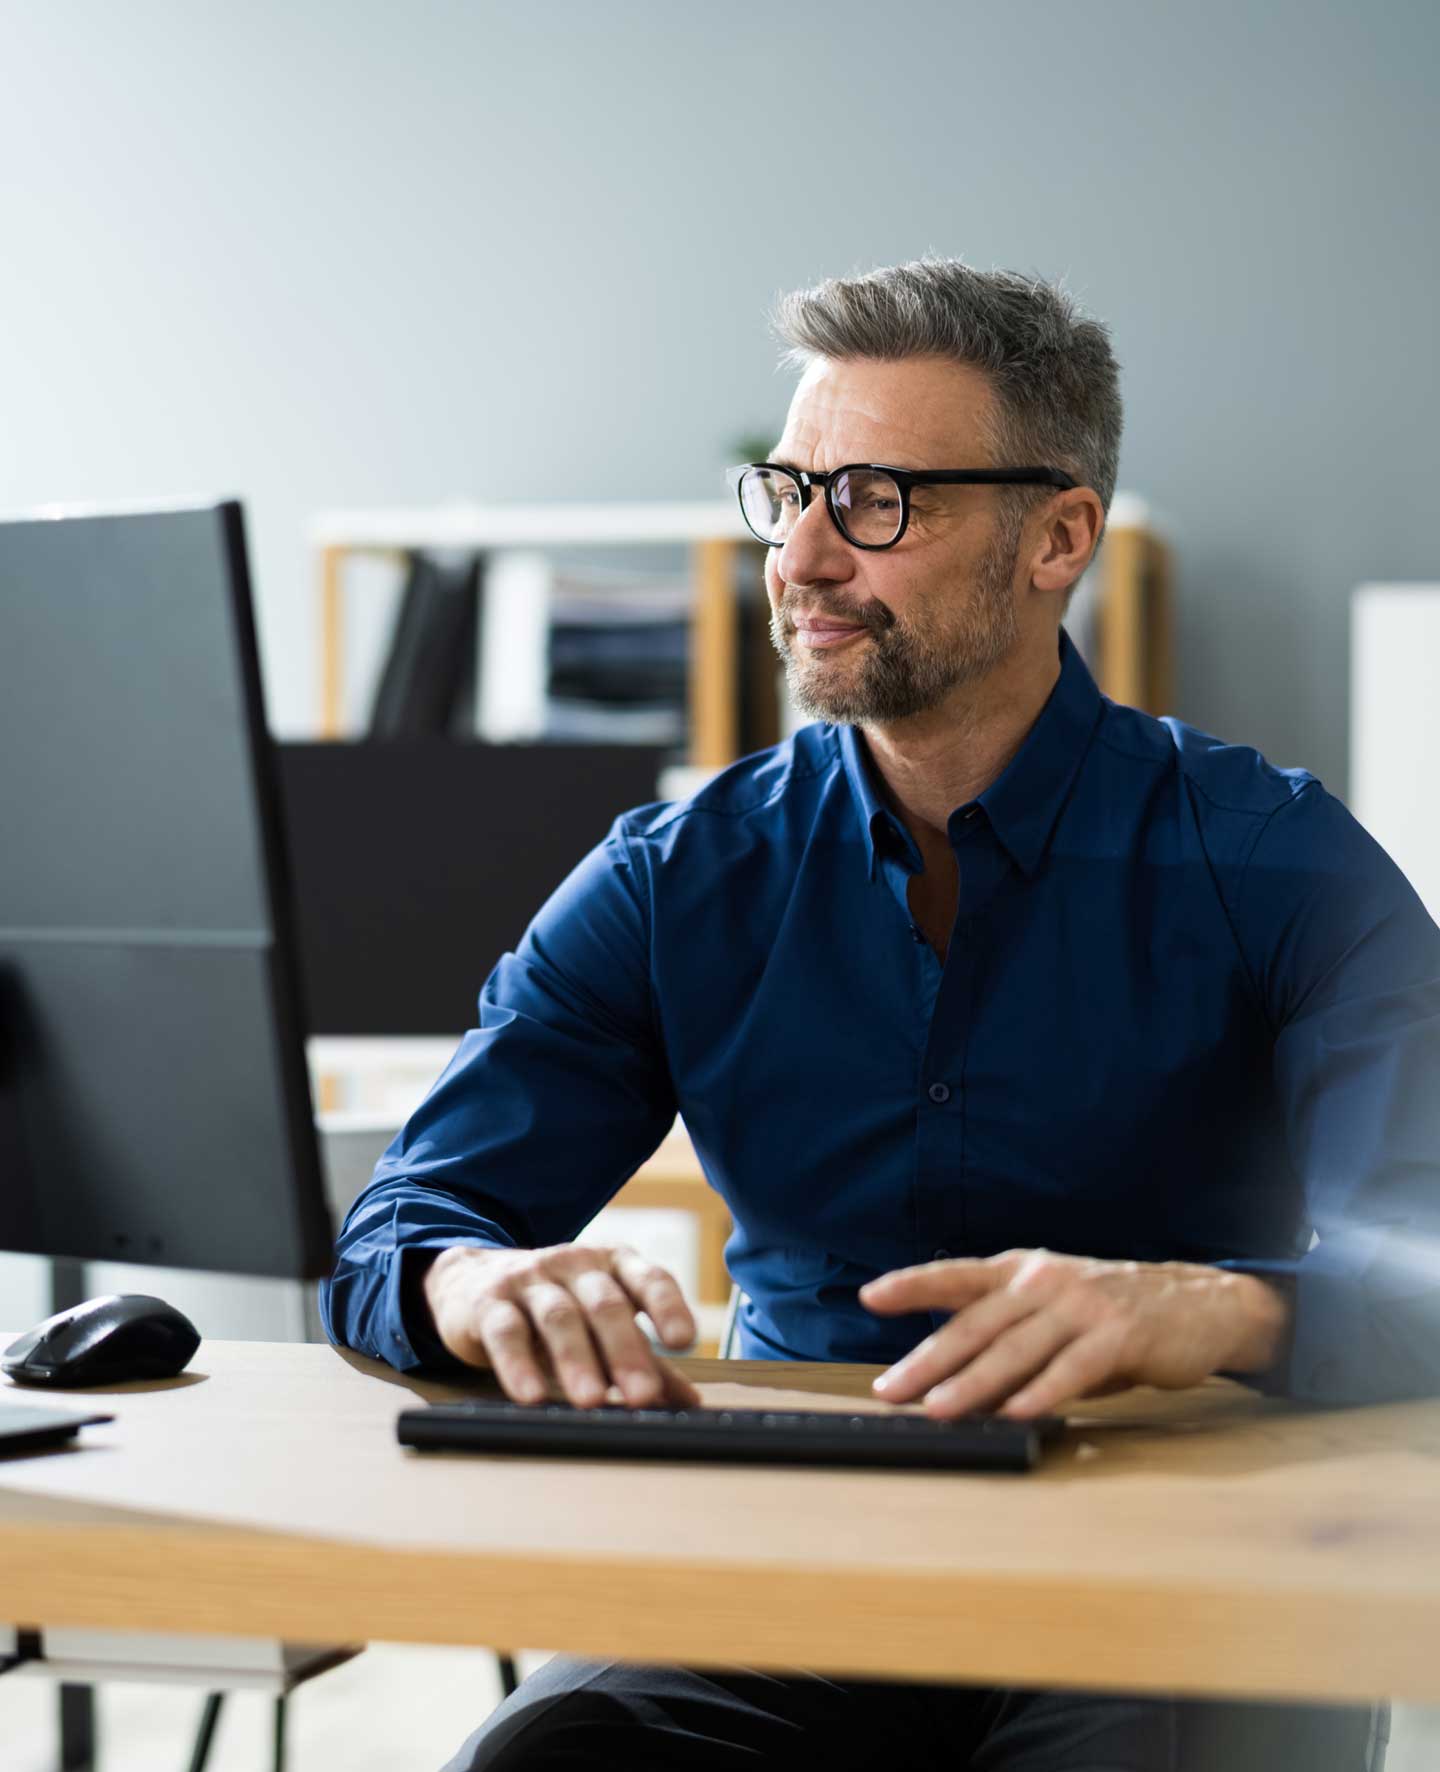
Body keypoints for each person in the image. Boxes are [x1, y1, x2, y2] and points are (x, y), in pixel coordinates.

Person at [321, 259, 1433, 1770]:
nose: (803, 555)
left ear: (1060, 538)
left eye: (877, 500)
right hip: (794, 1558)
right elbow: (408, 1224)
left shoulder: (1278, 859)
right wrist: (468, 1287)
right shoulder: (672, 880)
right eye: (787, 492)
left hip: (1174, 1558)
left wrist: (1211, 1307)